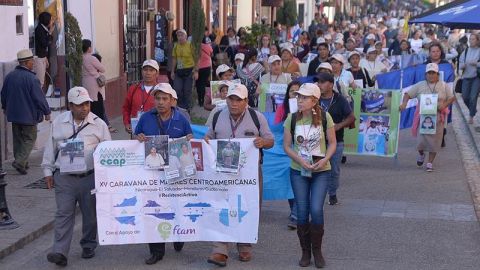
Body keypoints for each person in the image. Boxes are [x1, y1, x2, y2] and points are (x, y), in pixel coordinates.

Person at [205, 84, 274, 267]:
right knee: (221, 206)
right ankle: (220, 249)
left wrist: (263, 142)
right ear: (226, 100)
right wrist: (206, 141)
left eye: (238, 100)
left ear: (246, 102)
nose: (234, 103)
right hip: (222, 171)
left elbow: (271, 141)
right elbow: (209, 137)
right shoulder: (217, 115)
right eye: (231, 99)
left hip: (248, 173)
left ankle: (245, 244)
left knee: (249, 206)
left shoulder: (257, 117)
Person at [42, 87, 111, 267]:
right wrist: (47, 171)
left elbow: (109, 150)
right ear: (70, 106)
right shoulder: (59, 122)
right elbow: (50, 147)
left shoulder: (99, 124)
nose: (84, 108)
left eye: (87, 104)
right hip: (64, 177)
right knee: (63, 213)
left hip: (90, 177)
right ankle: (59, 251)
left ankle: (88, 244)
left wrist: (103, 162)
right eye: (80, 105)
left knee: (90, 214)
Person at [134, 83, 192, 264]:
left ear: (172, 101)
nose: (160, 102)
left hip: (176, 174)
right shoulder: (145, 118)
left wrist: (188, 140)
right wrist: (139, 137)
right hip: (153, 173)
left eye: (164, 99)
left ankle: (178, 235)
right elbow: (136, 138)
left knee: (176, 206)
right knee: (154, 209)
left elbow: (189, 142)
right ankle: (156, 251)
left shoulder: (181, 119)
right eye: (157, 98)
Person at [283, 83, 336, 268]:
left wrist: (325, 159)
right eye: (298, 97)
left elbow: (332, 143)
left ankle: (317, 250)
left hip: (321, 170)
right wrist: (301, 161)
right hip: (298, 170)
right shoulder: (291, 118)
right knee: (302, 212)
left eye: (304, 97)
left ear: (315, 100)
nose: (300, 100)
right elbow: (287, 146)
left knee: (316, 210)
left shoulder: (325, 117)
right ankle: (305, 252)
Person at [1, 49, 51, 175]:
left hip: (14, 114)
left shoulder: (9, 76)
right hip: (28, 115)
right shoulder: (31, 79)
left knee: (18, 139)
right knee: (30, 138)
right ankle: (20, 161)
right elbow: (39, 97)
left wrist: (5, 107)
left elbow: (3, 94)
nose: (33, 63)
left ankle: (23, 162)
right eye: (31, 61)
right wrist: (47, 111)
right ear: (26, 62)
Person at [399, 63, 456, 172]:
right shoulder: (420, 85)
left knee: (435, 141)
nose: (431, 75)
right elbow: (408, 94)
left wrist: (444, 105)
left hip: (438, 117)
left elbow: (451, 98)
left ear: (437, 74)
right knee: (421, 142)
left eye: (433, 73)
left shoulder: (443, 85)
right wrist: (404, 104)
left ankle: (430, 163)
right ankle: (421, 154)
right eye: (429, 73)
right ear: (426, 74)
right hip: (423, 117)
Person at [317, 73, 354, 205]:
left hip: (336, 141)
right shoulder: (314, 98)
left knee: (334, 170)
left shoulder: (340, 99)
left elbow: (351, 117)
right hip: (317, 141)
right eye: (318, 82)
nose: (319, 85)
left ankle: (332, 193)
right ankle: (317, 194)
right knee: (316, 168)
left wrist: (339, 126)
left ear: (331, 84)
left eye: (322, 82)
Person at [274, 81, 302, 229]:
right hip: (285, 150)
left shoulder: (310, 110)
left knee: (299, 179)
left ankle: (296, 215)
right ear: (288, 94)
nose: (296, 95)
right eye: (292, 92)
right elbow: (277, 129)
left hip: (303, 150)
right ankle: (295, 211)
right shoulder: (282, 108)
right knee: (290, 181)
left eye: (299, 93)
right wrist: (290, 118)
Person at [122, 59, 158, 134]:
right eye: (145, 70)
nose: (148, 73)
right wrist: (127, 123)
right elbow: (126, 108)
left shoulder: (161, 90)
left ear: (157, 73)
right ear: (141, 72)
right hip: (136, 130)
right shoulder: (133, 89)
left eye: (151, 70)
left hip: (156, 130)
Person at [81, 40, 108, 125]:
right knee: (97, 105)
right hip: (94, 84)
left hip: (85, 82)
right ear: (89, 48)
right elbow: (102, 69)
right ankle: (98, 124)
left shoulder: (80, 58)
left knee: (88, 104)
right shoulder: (92, 58)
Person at [171, 29, 198, 110]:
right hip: (179, 71)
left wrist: (196, 71)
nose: (180, 37)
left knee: (187, 91)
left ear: (186, 36)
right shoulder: (175, 46)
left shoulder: (190, 45)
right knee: (177, 89)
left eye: (182, 35)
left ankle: (187, 109)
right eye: (178, 36)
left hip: (189, 70)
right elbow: (174, 59)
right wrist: (172, 71)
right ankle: (179, 107)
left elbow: (196, 58)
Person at [459, 33, 480, 124]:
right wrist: (462, 66)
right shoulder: (466, 51)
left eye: (473, 39)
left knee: (473, 98)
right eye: (470, 39)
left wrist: (476, 64)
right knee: (465, 97)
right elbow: (460, 62)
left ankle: (471, 116)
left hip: (476, 77)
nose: (471, 41)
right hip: (466, 77)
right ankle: (473, 110)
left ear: (477, 40)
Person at [34, 11, 54, 89]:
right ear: (46, 20)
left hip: (42, 57)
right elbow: (44, 43)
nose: (52, 22)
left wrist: (45, 57)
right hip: (38, 59)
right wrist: (50, 33)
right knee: (40, 82)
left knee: (42, 80)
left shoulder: (43, 29)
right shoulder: (39, 29)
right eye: (51, 20)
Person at [195, 36, 213, 106]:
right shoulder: (208, 46)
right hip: (207, 67)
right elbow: (211, 53)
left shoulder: (196, 47)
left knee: (198, 84)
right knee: (203, 83)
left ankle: (200, 99)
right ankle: (202, 100)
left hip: (198, 67)